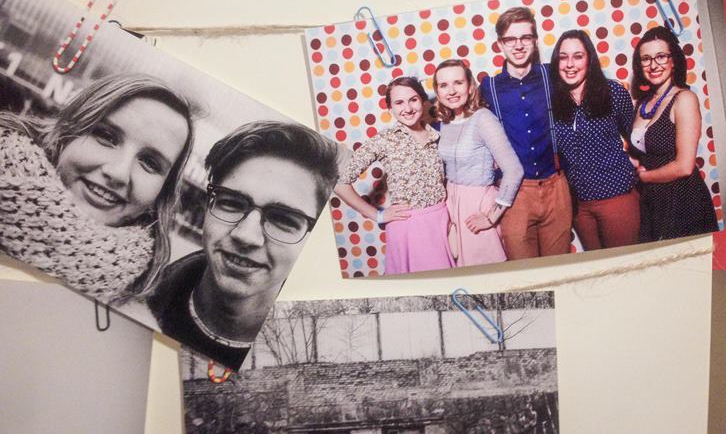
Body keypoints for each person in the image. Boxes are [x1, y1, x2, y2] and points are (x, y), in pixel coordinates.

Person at [148, 121, 340, 369]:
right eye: (231, 203)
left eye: (283, 219)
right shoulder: (139, 303)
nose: (246, 236)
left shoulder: (317, 343)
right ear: (208, 205)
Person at [0, 74, 193, 303]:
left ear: (161, 193)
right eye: (107, 137)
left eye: (150, 163)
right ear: (66, 133)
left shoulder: (135, 316)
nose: (118, 173)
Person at [334, 76, 454, 275]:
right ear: (390, 108)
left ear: (423, 101)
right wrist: (377, 215)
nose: (407, 108)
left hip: (441, 222)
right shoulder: (385, 140)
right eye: (399, 102)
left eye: (413, 100)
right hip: (407, 227)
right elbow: (339, 182)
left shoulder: (438, 136)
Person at [479, 7, 573, 259]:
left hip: (556, 187)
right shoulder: (488, 87)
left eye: (525, 37)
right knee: (523, 272)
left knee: (560, 268)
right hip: (514, 193)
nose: (518, 45)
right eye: (510, 39)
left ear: (535, 40)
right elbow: (459, 120)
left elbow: (588, 88)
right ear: (500, 44)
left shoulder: (553, 75)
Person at [550, 30, 639, 250]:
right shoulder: (552, 101)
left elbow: (635, 137)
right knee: (597, 265)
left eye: (578, 56)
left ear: (589, 59)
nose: (570, 64)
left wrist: (639, 165)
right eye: (563, 57)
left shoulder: (613, 92)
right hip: (579, 205)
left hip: (616, 196)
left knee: (623, 264)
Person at [630, 26, 718, 241]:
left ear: (673, 61)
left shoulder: (684, 99)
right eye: (646, 59)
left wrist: (645, 177)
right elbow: (644, 150)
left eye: (661, 56)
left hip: (682, 198)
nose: (653, 65)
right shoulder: (641, 104)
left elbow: (684, 166)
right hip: (653, 199)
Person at [433, 59, 523, 267]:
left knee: (485, 274)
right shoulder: (444, 124)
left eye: (458, 83)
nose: (451, 91)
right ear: (437, 92)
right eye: (444, 85)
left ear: (470, 86)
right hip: (451, 204)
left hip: (477, 206)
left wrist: (491, 217)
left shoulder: (483, 118)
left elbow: (514, 170)